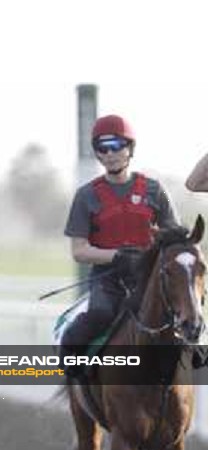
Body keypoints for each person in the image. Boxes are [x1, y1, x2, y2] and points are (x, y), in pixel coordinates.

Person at [60, 114, 179, 376]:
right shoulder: (86, 196)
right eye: (103, 147)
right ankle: (77, 378)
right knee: (101, 314)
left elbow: (174, 240)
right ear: (98, 154)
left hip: (149, 277)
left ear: (130, 148)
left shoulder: (154, 190)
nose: (111, 153)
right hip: (108, 279)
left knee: (181, 316)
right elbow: (79, 251)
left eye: (117, 145)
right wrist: (118, 257)